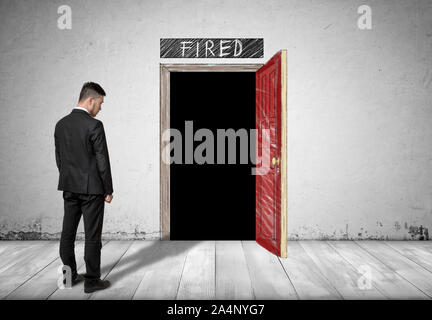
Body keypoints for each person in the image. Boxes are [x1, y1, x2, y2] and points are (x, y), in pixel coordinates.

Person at [54, 82, 113, 294]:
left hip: (69, 187)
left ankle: (68, 277)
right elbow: (102, 160)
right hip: (92, 189)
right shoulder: (94, 125)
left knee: (67, 233)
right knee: (92, 236)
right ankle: (92, 281)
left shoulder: (61, 124)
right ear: (91, 100)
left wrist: (69, 178)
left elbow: (59, 159)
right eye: (100, 103)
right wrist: (108, 189)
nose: (100, 108)